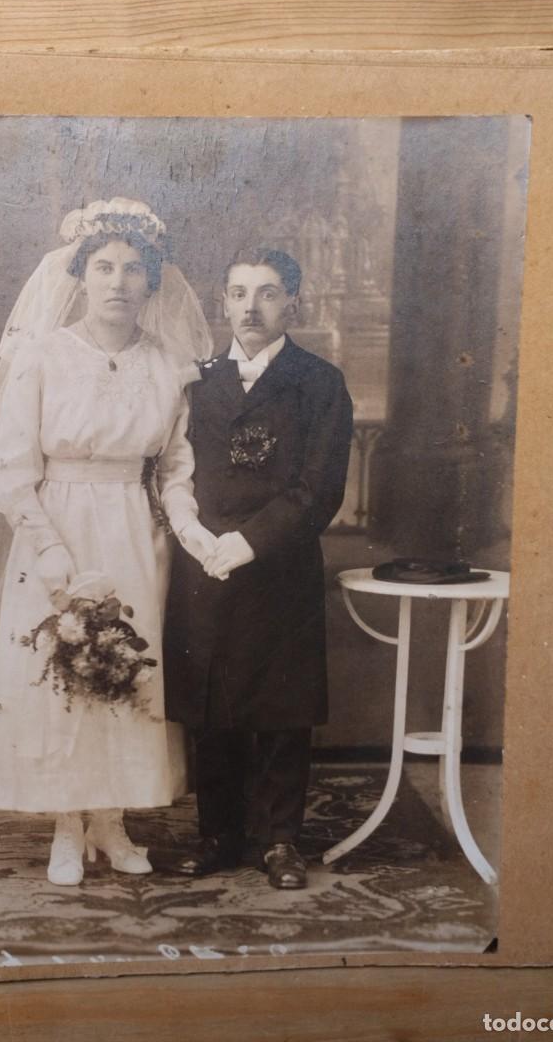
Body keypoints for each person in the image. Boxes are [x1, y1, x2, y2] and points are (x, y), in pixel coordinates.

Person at [0, 198, 215, 886]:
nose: (117, 282)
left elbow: (176, 466)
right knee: (61, 675)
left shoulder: (167, 366)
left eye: (131, 270)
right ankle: (67, 826)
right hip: (55, 528)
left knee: (126, 672)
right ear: (80, 277)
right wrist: (52, 555)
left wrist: (186, 531)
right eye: (103, 268)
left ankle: (111, 822)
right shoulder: (41, 356)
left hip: (132, 531)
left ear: (151, 283)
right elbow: (9, 473)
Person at [163, 247, 354, 890]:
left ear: (292, 303)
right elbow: (175, 468)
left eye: (268, 293)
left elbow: (319, 487)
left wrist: (249, 542)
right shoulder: (198, 381)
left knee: (280, 704)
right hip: (206, 560)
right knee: (213, 702)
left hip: (278, 562)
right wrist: (201, 539)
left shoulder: (320, 382)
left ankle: (279, 841)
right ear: (222, 302)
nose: (251, 307)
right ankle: (218, 835)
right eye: (239, 293)